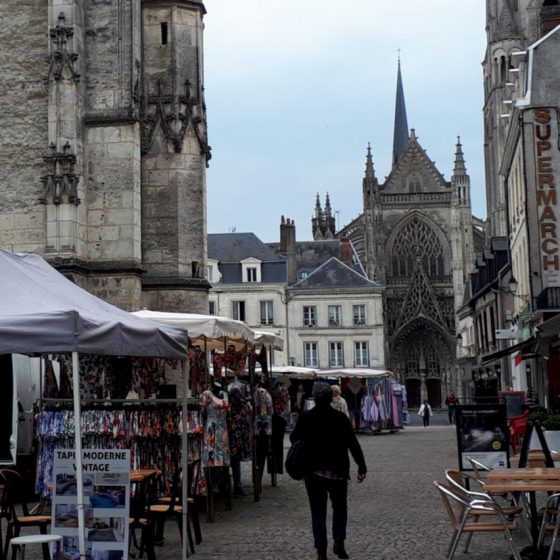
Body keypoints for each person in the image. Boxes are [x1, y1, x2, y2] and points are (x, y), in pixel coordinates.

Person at [291, 382, 367, 560]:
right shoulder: (340, 418)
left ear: (315, 398)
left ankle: (321, 551)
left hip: (313, 471)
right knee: (340, 508)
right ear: (330, 398)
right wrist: (362, 466)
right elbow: (353, 443)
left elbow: (294, 437)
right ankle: (339, 541)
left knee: (318, 512)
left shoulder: (306, 417)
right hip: (338, 471)